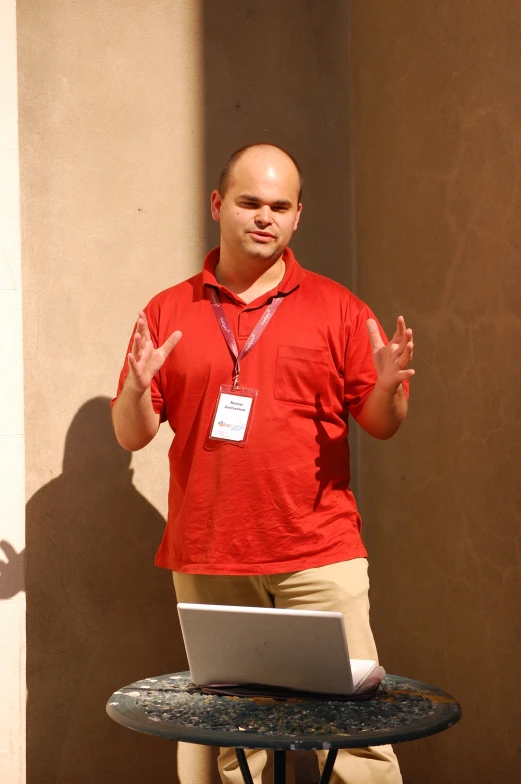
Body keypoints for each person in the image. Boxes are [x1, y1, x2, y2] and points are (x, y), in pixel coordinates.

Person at [112, 143, 414, 784]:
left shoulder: (339, 308)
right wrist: (136, 393)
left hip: (320, 555)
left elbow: (380, 426)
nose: (264, 217)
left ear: (298, 215)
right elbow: (131, 437)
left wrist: (388, 389)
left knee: (357, 741)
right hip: (211, 558)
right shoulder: (168, 312)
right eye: (249, 202)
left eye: (280, 206)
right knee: (230, 744)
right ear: (218, 205)